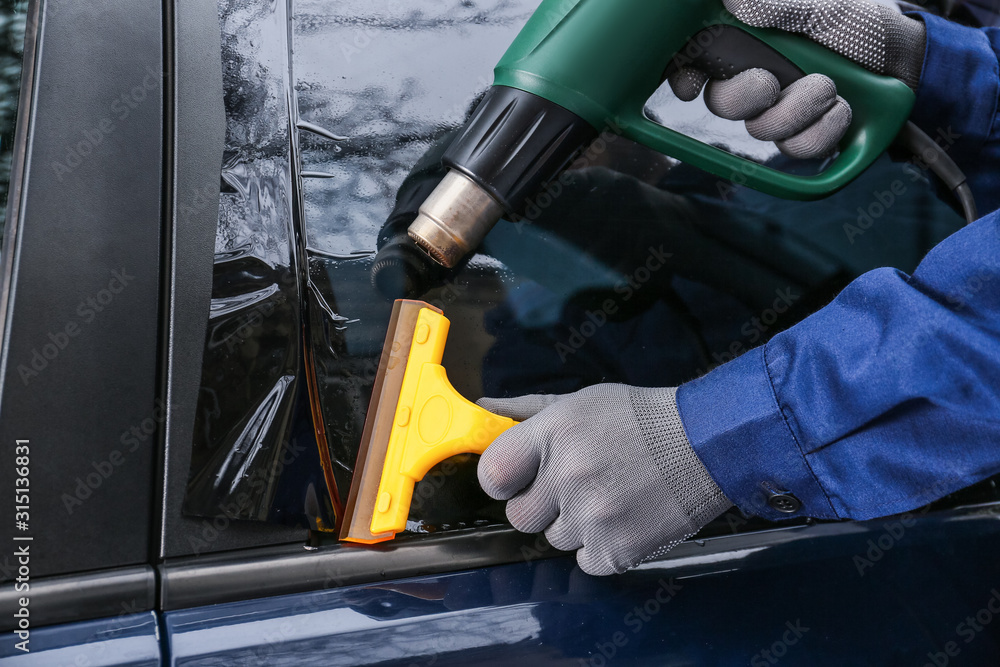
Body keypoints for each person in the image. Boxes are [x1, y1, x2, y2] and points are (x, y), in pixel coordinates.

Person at [475, 0, 1000, 576]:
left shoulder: (782, 190)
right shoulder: (552, 338)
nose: (587, 161)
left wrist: (712, 442)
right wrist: (930, 64)